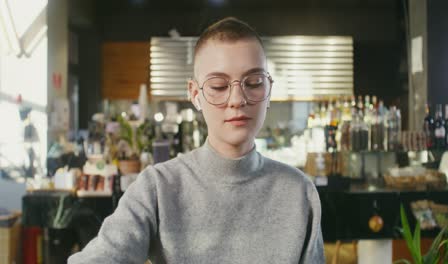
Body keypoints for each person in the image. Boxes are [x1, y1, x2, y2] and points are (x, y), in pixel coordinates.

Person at [68, 17, 324, 263]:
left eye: (254, 82)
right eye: (219, 86)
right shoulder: (157, 188)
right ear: (195, 94)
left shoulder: (299, 192)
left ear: (268, 90)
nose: (237, 99)